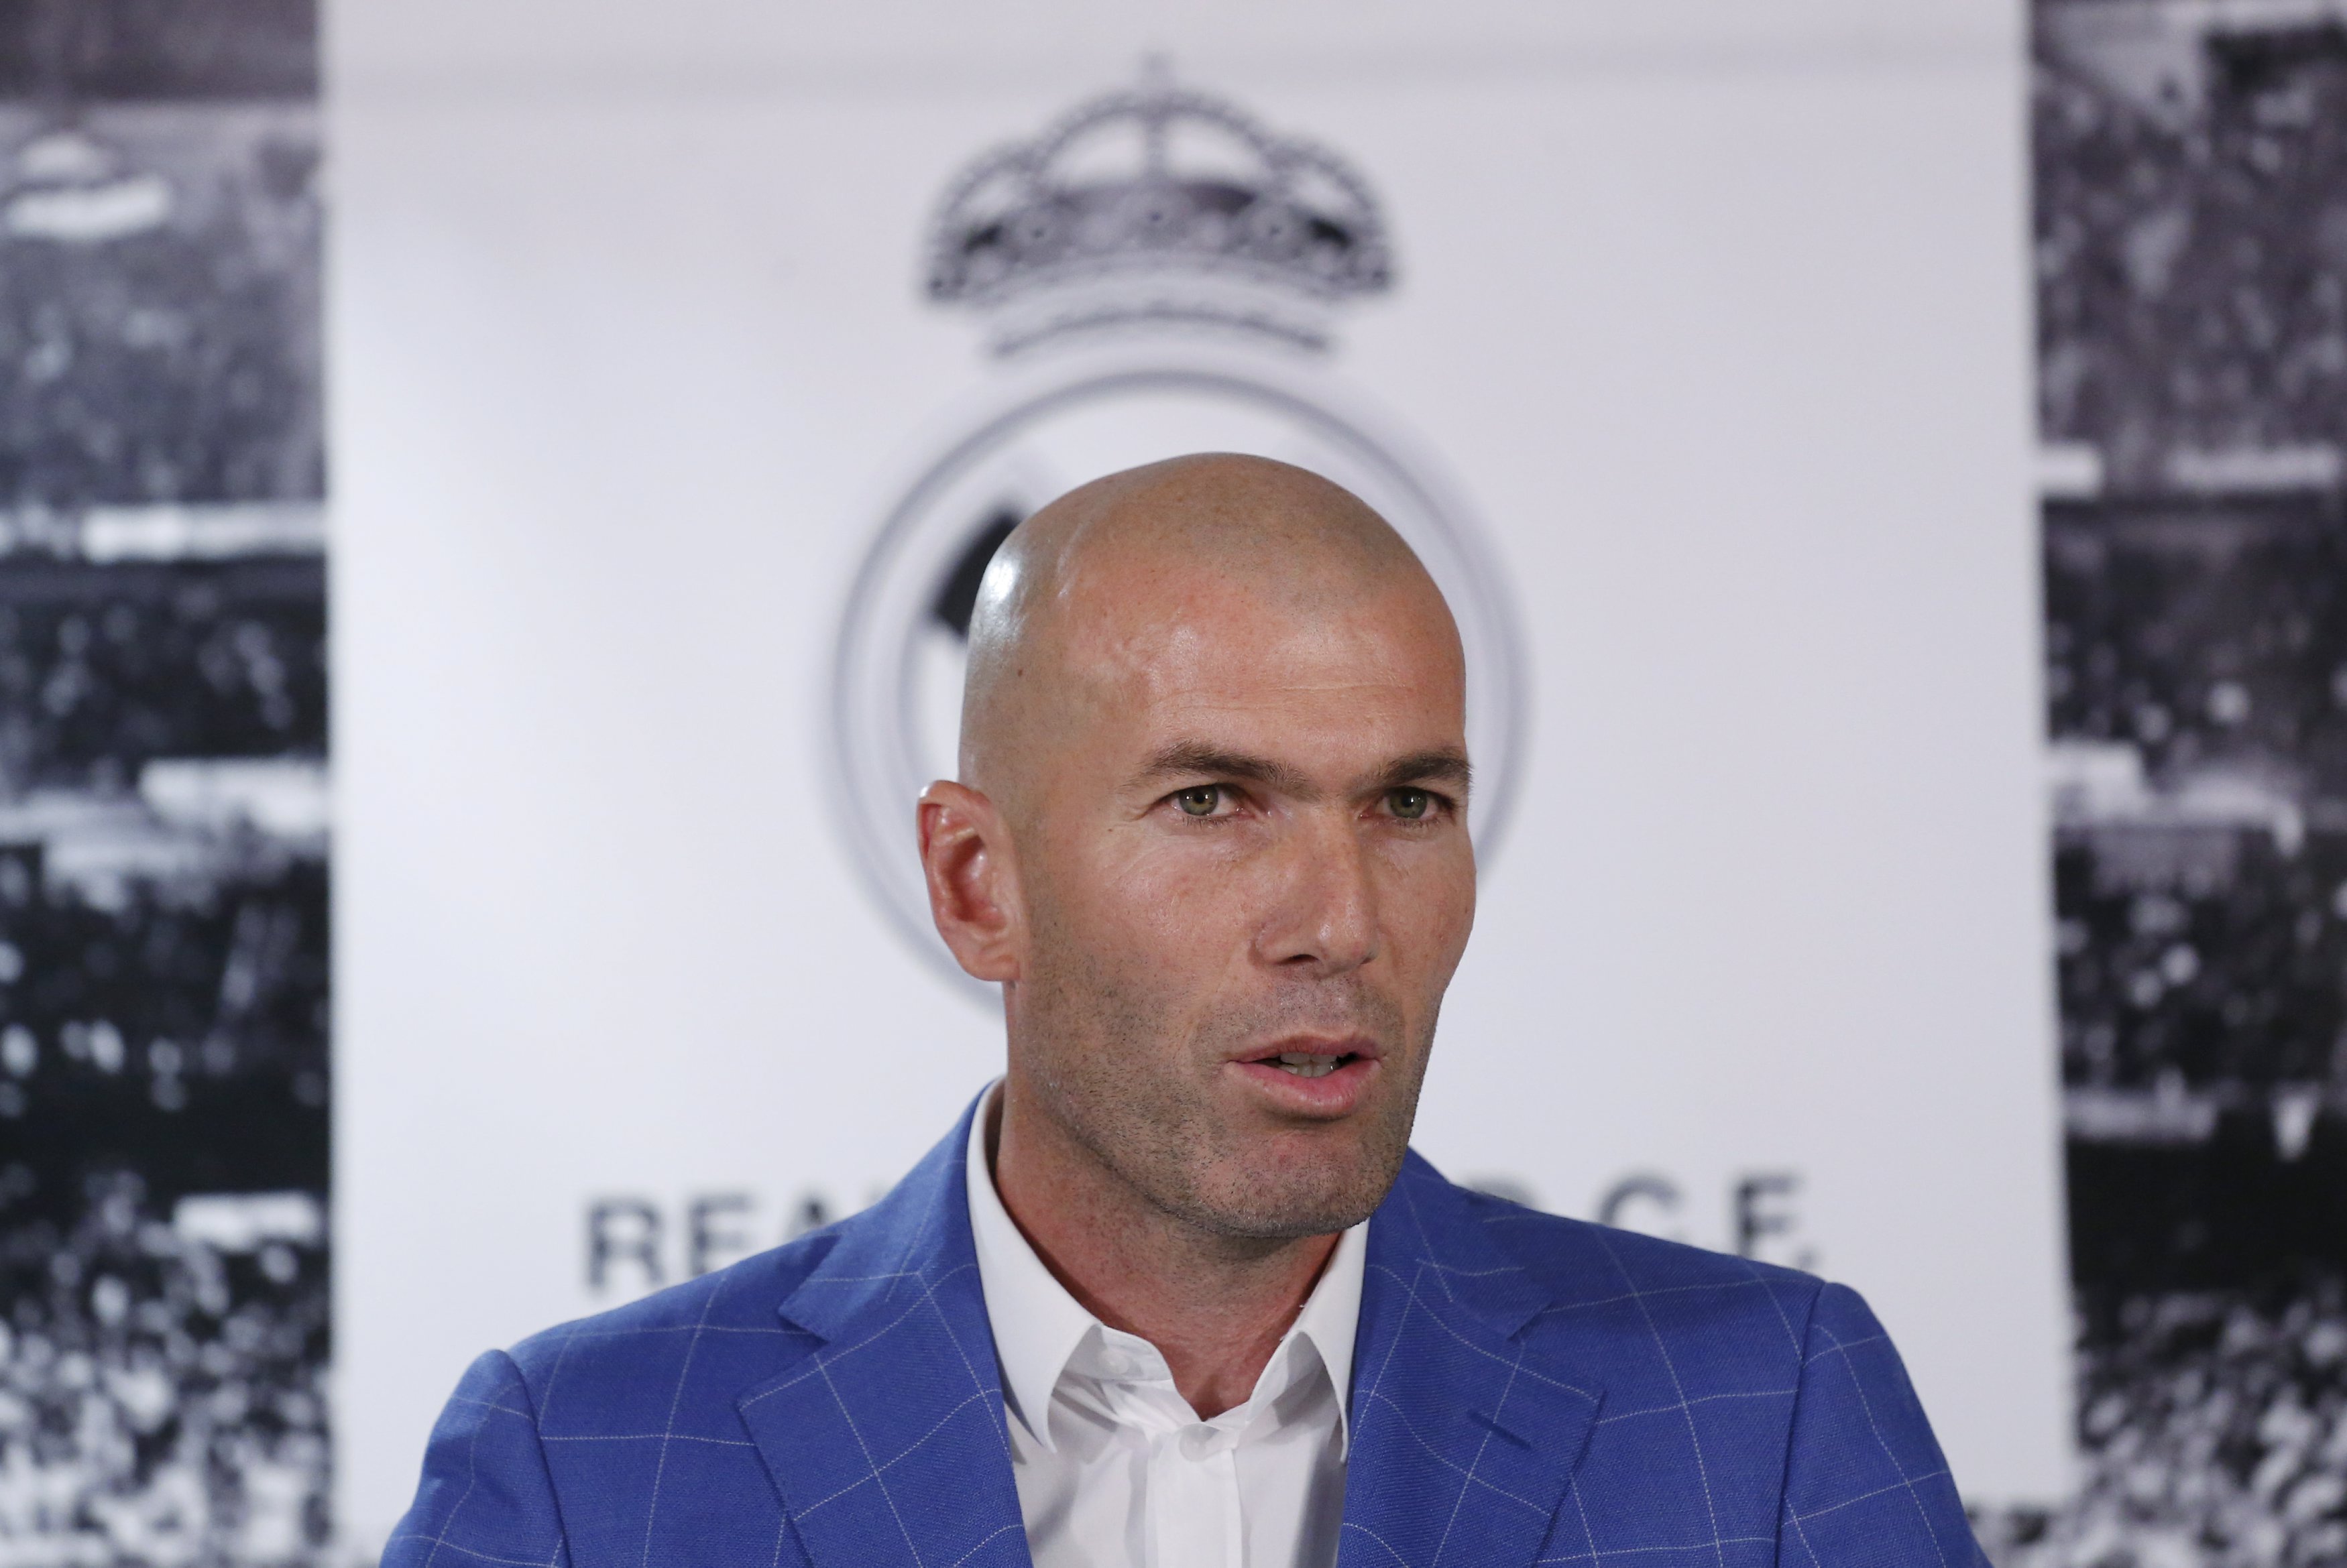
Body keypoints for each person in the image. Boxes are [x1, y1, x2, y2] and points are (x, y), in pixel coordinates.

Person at [387, 455, 1983, 1567]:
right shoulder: (579, 1468)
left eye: (1408, 805)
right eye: (1213, 801)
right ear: (975, 883)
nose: (1340, 922)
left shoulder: (1765, 1410)